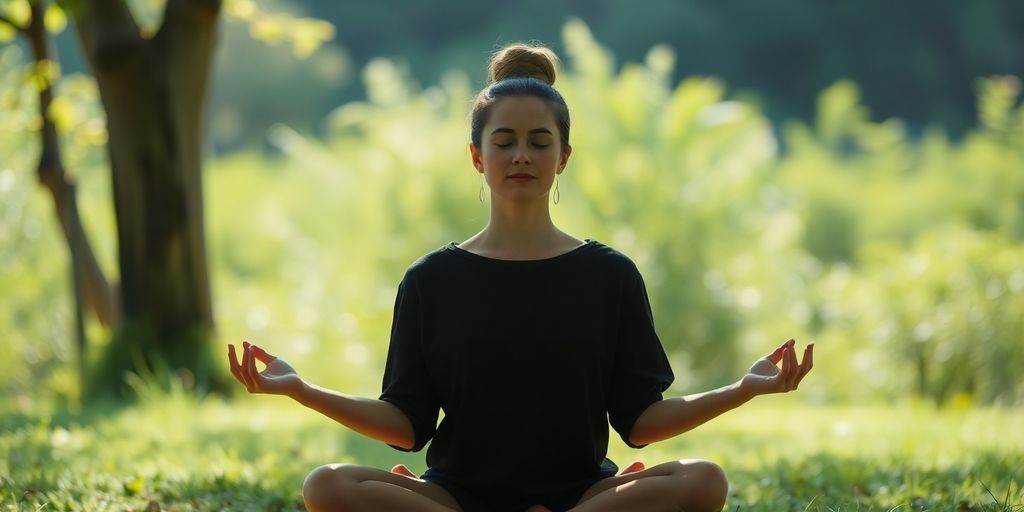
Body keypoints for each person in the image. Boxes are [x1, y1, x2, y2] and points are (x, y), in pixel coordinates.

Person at [227, 42, 813, 512]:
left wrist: (744, 388)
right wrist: (300, 389)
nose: (522, 156)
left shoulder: (609, 276)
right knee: (325, 485)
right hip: (455, 497)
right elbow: (405, 427)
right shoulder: (431, 280)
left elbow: (640, 421)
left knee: (704, 479)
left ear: (563, 156)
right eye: (503, 141)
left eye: (540, 142)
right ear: (478, 156)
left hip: (583, 496)